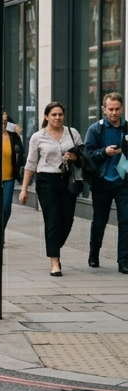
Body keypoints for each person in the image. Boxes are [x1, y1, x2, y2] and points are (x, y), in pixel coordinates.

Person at [19, 102, 80, 276]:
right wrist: (24, 189)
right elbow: (30, 164)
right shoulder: (38, 137)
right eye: (53, 114)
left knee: (67, 221)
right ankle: (54, 260)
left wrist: (75, 156)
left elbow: (83, 155)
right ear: (46, 117)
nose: (57, 117)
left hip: (68, 180)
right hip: (46, 180)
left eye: (60, 114)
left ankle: (54, 246)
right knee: (52, 219)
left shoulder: (72, 133)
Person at [83, 93, 128, 271]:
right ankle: (94, 254)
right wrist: (104, 152)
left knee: (125, 221)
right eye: (111, 109)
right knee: (100, 220)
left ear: (122, 108)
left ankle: (123, 261)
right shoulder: (96, 129)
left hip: (123, 181)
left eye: (117, 109)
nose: (114, 113)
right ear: (104, 109)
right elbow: (88, 154)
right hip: (102, 181)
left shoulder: (126, 128)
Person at [1, 112, 25, 231]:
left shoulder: (13, 136)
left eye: (5, 122)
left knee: (6, 207)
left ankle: (0, 231)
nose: (3, 123)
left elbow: (21, 154)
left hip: (9, 177)